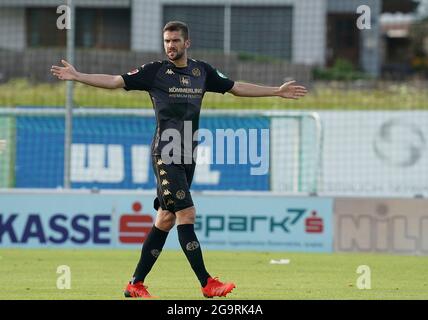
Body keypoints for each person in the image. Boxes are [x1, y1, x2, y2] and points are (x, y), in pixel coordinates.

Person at [51, 21, 307, 298]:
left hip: (188, 154)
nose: (170, 46)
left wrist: (276, 91)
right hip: (166, 153)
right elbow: (115, 81)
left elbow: (235, 87)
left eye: (175, 41)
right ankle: (207, 283)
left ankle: (135, 284)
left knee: (165, 219)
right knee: (187, 214)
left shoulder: (202, 71)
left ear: (187, 43)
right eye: (166, 41)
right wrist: (77, 76)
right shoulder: (155, 72)